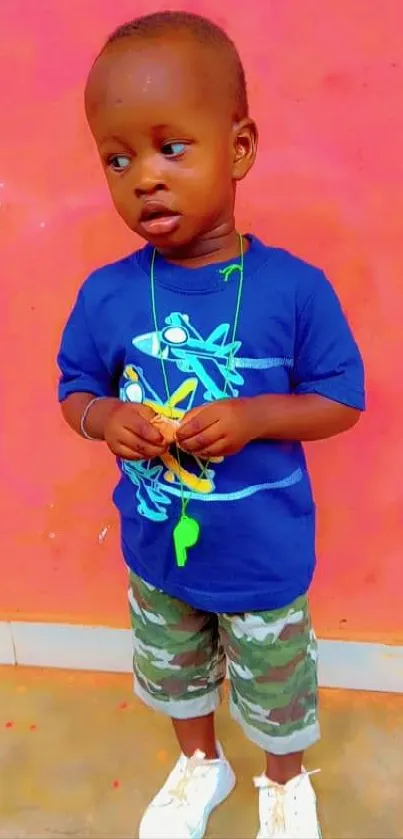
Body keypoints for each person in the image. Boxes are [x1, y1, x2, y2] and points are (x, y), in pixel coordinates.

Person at [57, 11, 365, 839]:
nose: (143, 178)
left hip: (264, 559)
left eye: (170, 148)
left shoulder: (293, 288)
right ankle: (201, 763)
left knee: (276, 681)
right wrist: (105, 416)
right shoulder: (107, 294)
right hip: (158, 550)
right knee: (174, 674)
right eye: (117, 159)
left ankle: (281, 781)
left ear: (237, 149)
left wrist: (255, 415)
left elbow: (342, 397)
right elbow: (74, 389)